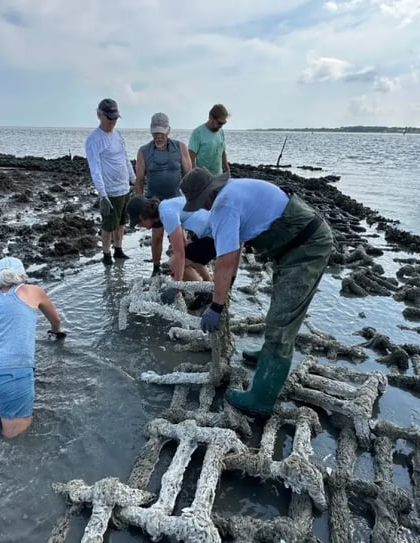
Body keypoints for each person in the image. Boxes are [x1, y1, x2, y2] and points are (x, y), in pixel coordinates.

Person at [180, 168, 333, 417]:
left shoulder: (224, 206)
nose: (203, 209)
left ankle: (261, 399)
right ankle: (267, 356)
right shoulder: (232, 192)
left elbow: (224, 261)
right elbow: (236, 246)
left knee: (282, 320)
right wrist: (228, 285)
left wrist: (216, 305)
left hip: (307, 247)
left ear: (207, 196)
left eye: (200, 204)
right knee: (279, 308)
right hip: (290, 247)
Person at [0, 257, 65, 438]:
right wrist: (56, 332)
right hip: (12, 372)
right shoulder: (34, 291)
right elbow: (56, 320)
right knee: (15, 438)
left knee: (2, 394)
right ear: (22, 275)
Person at [134, 113, 192, 275]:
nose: (158, 136)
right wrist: (139, 203)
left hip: (176, 199)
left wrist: (193, 199)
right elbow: (139, 179)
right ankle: (156, 268)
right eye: (155, 133)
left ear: (168, 130)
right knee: (157, 235)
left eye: (161, 132)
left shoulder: (180, 147)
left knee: (180, 238)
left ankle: (181, 267)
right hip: (154, 201)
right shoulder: (143, 151)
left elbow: (189, 174)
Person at [85, 98, 135, 266]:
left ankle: (118, 249)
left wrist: (133, 179)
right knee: (108, 225)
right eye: (110, 118)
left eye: (115, 118)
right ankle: (106, 255)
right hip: (110, 191)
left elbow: (125, 159)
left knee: (121, 223)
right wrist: (102, 194)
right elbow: (95, 168)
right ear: (100, 115)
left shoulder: (118, 135)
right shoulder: (94, 139)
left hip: (124, 188)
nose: (113, 122)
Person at [127, 194, 215, 283]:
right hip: (211, 227)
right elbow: (183, 242)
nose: (140, 226)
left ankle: (201, 288)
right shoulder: (165, 206)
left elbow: (179, 255)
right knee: (190, 254)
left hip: (212, 234)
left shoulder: (166, 215)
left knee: (173, 263)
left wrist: (177, 284)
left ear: (142, 216)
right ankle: (209, 283)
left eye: (138, 223)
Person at [188, 104, 230, 175]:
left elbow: (223, 152)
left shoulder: (221, 132)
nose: (221, 126)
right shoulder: (198, 133)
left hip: (218, 176)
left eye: (224, 123)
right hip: (203, 177)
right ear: (211, 117)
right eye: (220, 123)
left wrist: (227, 170)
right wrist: (194, 176)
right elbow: (191, 158)